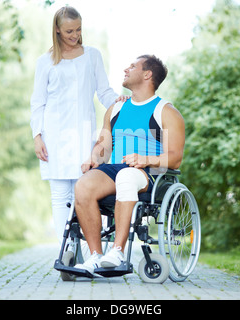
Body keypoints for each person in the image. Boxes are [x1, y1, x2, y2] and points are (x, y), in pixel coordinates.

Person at [73, 55, 185, 275]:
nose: (126, 68)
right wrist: (94, 157)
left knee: (126, 176)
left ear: (147, 74)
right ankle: (95, 257)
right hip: (114, 170)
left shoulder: (166, 111)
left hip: (149, 174)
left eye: (133, 66)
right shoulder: (115, 109)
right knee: (82, 185)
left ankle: (116, 251)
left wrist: (146, 160)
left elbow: (175, 158)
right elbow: (103, 145)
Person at [30, 6, 126, 242]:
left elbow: (103, 91)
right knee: (59, 194)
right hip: (53, 135)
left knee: (84, 190)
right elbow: (37, 102)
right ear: (57, 31)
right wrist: (37, 135)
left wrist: (117, 100)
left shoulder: (92, 55)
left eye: (79, 30)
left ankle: (91, 245)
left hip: (84, 134)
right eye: (69, 31)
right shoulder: (45, 62)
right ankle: (68, 249)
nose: (75, 35)